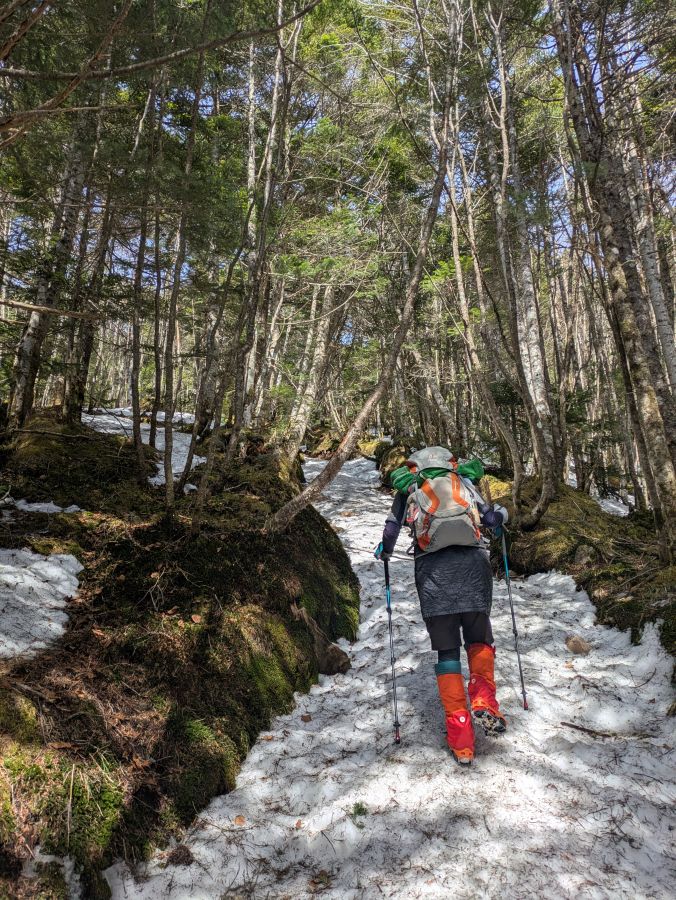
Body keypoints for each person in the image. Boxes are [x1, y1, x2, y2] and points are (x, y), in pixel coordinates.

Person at [375, 446, 508, 765]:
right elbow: (489, 520)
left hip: (433, 574)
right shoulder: (463, 483)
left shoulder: (410, 488)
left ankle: (462, 740)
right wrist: (501, 516)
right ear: (450, 464)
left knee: (447, 652)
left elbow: (392, 529)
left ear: (416, 466)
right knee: (479, 639)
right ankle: (483, 699)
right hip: (473, 569)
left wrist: (384, 550)